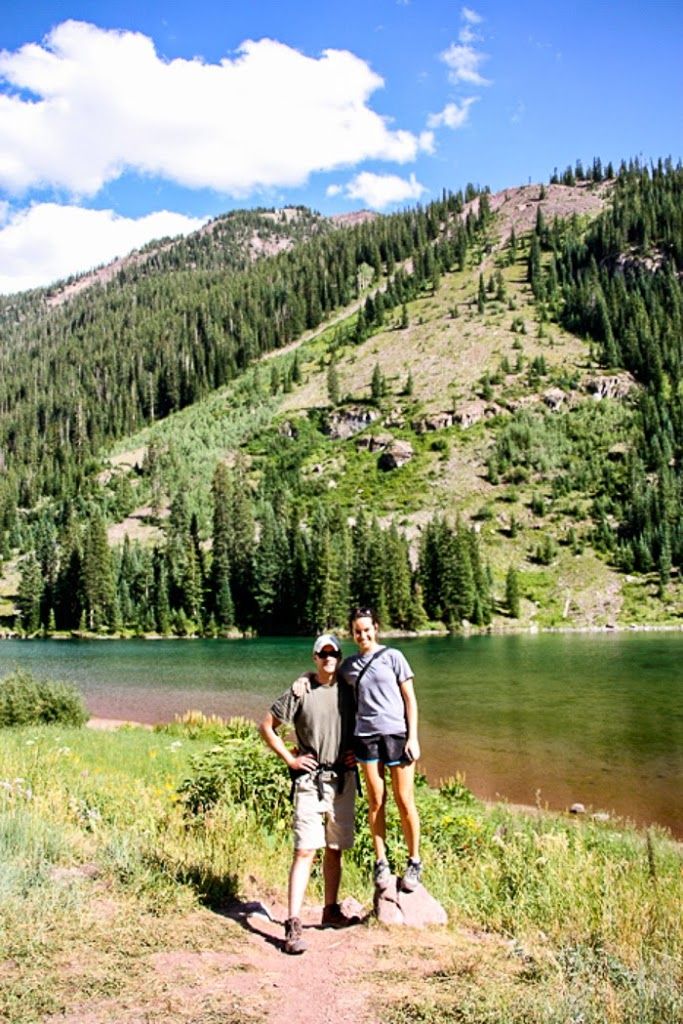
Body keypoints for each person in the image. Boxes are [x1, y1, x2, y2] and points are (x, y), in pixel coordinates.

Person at [259, 633, 358, 955]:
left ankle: (330, 911)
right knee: (305, 850)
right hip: (309, 781)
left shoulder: (350, 689)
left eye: (334, 652)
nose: (329, 657)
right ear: (314, 657)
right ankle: (293, 922)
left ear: (339, 657)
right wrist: (290, 759)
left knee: (334, 849)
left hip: (342, 781)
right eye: (323, 652)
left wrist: (355, 751)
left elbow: (366, 722)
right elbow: (266, 726)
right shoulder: (300, 690)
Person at [340, 606, 422, 893]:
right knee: (375, 800)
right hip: (365, 737)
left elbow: (410, 700)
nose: (362, 634)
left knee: (404, 798)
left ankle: (414, 861)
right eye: (357, 631)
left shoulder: (394, 657)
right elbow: (338, 697)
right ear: (352, 634)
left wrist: (413, 738)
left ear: (376, 628)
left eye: (366, 629)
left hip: (397, 735)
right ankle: (381, 861)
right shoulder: (348, 667)